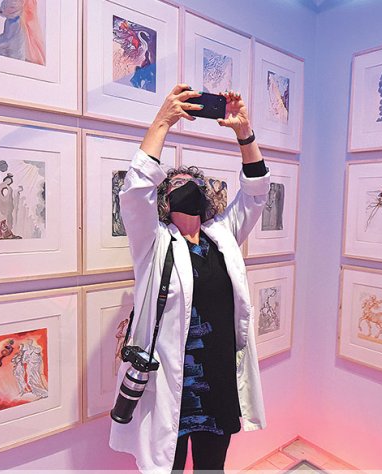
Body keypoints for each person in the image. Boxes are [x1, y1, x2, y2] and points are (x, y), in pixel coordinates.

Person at [109, 84, 269, 472]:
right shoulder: (153, 243)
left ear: (205, 194)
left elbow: (256, 192)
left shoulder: (223, 235)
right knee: (171, 467)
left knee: (212, 468)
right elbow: (135, 191)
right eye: (175, 182)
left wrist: (244, 132)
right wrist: (163, 121)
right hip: (171, 386)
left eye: (192, 181)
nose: (186, 185)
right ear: (164, 199)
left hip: (217, 381)